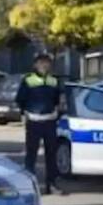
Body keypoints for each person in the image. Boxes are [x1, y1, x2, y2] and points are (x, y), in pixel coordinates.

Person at [16, 53, 66, 195]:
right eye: (41, 63)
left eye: (46, 63)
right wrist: (24, 113)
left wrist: (57, 110)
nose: (44, 65)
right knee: (31, 155)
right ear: (35, 65)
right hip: (34, 121)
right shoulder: (28, 80)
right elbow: (20, 99)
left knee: (51, 154)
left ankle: (52, 184)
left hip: (50, 121)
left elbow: (58, 99)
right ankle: (30, 186)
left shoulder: (54, 81)